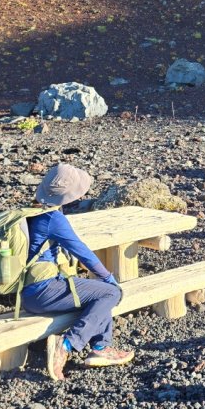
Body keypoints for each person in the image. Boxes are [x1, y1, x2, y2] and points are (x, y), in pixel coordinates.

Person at [21, 163, 135, 380]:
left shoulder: (32, 210)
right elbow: (84, 253)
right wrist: (109, 277)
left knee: (101, 292)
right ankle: (66, 345)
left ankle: (101, 347)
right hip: (42, 292)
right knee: (111, 292)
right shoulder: (53, 219)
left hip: (27, 292)